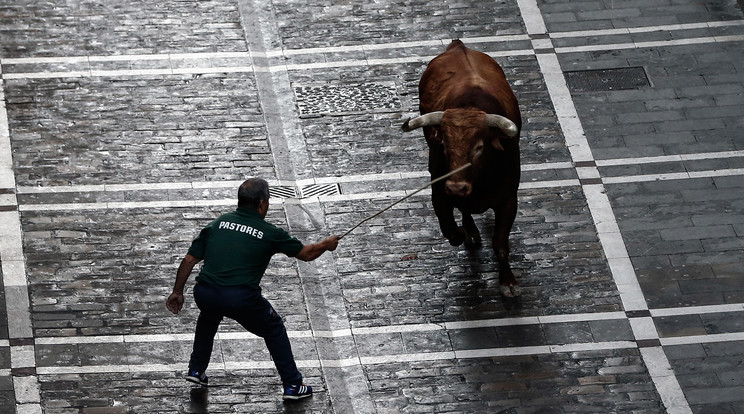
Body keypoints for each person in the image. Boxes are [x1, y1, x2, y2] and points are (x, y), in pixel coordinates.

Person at [166, 178, 340, 401]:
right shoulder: (269, 232)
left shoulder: (218, 223)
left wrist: (177, 292)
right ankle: (293, 385)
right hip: (241, 297)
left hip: (206, 292)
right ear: (261, 204)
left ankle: (196, 370)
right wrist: (326, 244)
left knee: (209, 315)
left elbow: (190, 259)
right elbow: (306, 254)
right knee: (274, 327)